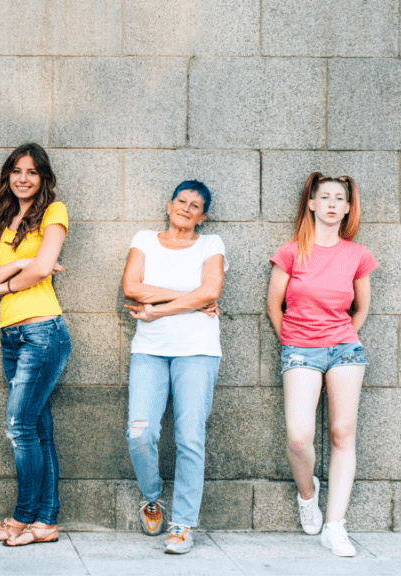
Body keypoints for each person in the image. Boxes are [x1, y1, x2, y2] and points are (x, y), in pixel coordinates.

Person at [267, 173, 376, 557]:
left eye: (339, 198)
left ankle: (335, 526)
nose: (331, 203)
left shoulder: (357, 255)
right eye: (324, 197)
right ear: (311, 204)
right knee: (299, 436)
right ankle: (306, 493)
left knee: (342, 433)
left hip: (345, 350)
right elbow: (273, 304)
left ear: (347, 208)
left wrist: (341, 336)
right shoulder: (291, 251)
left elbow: (361, 308)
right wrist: (292, 342)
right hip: (299, 349)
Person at [120, 181, 227, 554]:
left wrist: (159, 309)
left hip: (197, 349)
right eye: (181, 201)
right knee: (139, 432)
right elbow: (132, 287)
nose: (186, 208)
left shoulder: (210, 245)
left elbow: (211, 291)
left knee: (189, 437)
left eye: (195, 205)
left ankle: (183, 524)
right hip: (150, 349)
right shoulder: (145, 239)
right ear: (169, 205)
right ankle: (151, 497)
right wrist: (191, 300)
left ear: (203, 215)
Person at [0, 143, 71, 547]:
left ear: (43, 177)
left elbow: (44, 266)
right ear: (7, 176)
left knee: (18, 427)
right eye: (16, 170)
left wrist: (5, 283)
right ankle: (46, 522)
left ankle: (22, 517)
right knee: (37, 428)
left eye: (31, 171)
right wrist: (15, 266)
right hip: (11, 335)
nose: (23, 178)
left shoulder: (54, 211)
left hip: (43, 332)